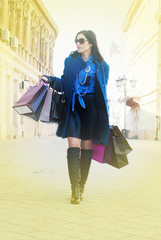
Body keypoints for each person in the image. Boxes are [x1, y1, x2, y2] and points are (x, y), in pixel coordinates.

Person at [42, 30, 110, 204]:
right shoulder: (70, 61)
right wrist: (49, 79)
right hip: (73, 108)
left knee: (86, 149)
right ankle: (75, 189)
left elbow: (102, 91)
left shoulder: (102, 66)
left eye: (81, 40)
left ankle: (82, 184)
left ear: (91, 43)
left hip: (92, 111)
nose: (77, 43)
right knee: (73, 146)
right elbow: (64, 84)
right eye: (76, 41)